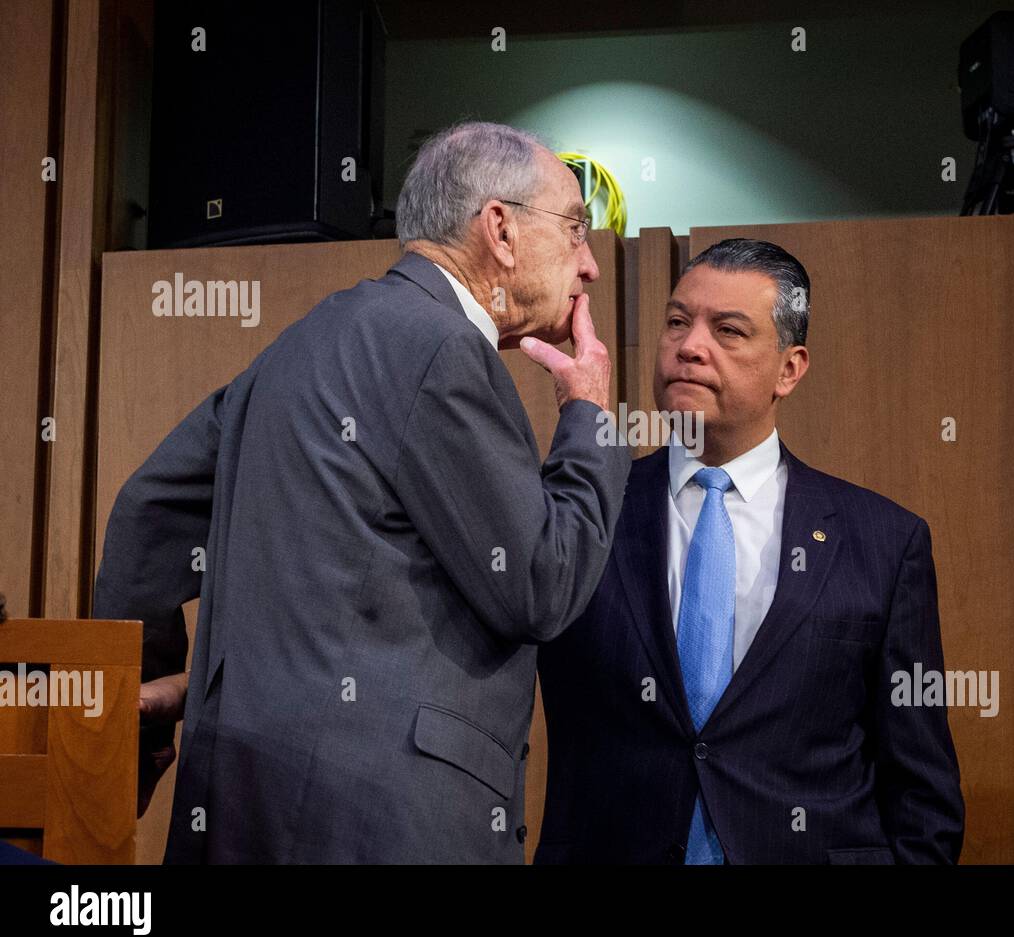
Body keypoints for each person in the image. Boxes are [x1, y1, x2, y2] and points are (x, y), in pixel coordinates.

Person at [93, 121, 631, 863]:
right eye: (575, 228)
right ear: (500, 229)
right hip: (384, 827)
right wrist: (590, 418)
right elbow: (541, 581)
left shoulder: (296, 346)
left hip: (237, 808)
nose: (590, 265)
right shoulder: (445, 348)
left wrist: (147, 720)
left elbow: (146, 511)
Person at [536, 239, 964, 864]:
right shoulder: (585, 512)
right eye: (677, 322)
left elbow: (921, 789)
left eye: (728, 331)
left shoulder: (883, 542)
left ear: (789, 369)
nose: (689, 346)